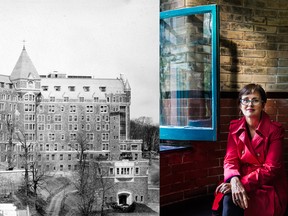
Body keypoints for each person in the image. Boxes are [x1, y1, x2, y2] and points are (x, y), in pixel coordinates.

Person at [214, 83, 287, 216]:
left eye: (255, 100)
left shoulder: (275, 130)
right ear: (240, 105)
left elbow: (271, 169)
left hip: (265, 183)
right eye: (245, 100)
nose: (250, 104)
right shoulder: (234, 127)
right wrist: (234, 180)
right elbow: (230, 160)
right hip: (240, 176)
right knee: (228, 199)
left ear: (263, 104)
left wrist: (242, 184)